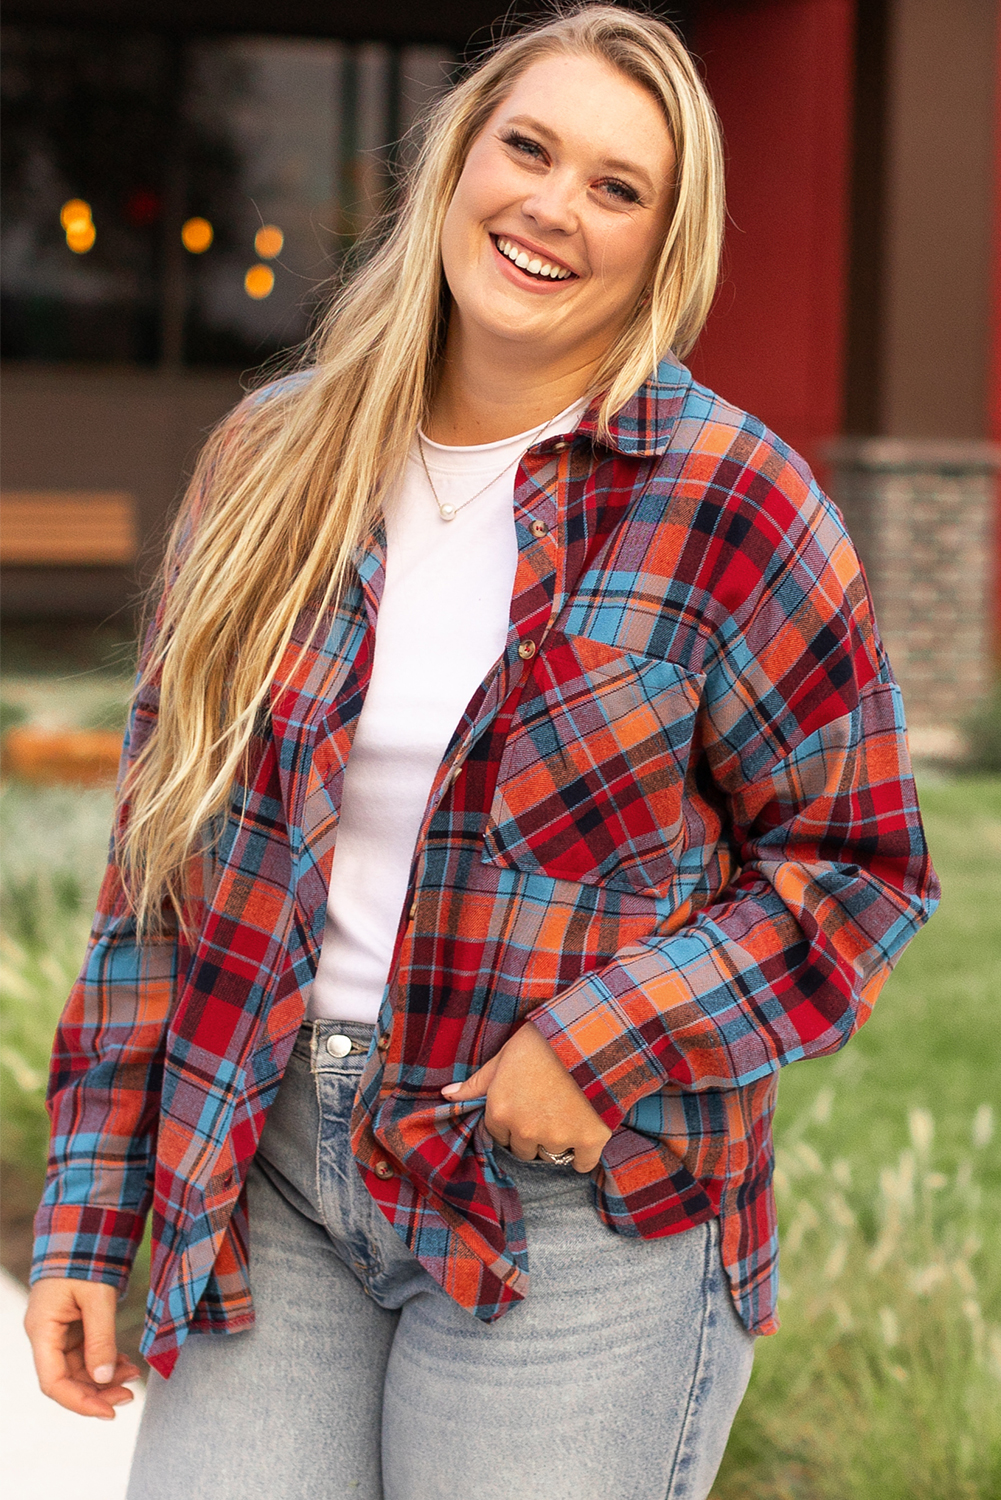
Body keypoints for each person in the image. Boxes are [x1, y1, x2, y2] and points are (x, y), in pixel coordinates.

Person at [24, 7, 938, 1498]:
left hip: (579, 1208)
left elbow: (856, 870)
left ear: (663, 243)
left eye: (614, 186)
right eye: (527, 147)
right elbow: (160, 865)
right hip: (274, 1174)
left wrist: (604, 1040)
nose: (551, 207)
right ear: (456, 161)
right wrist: (88, 1207)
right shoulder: (271, 461)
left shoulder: (730, 504)